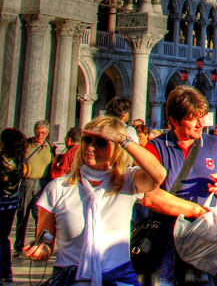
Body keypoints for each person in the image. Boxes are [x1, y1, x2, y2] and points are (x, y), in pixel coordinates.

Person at [24, 116, 167, 286]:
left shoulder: (127, 180)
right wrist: (41, 249)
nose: (91, 147)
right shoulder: (57, 188)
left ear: (116, 148)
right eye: (87, 139)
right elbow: (45, 240)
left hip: (118, 278)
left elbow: (158, 175)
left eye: (100, 142)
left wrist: (122, 139)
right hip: (70, 279)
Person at [140, 86, 217, 286]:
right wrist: (196, 211)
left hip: (207, 245)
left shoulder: (215, 145)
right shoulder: (156, 148)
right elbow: (149, 196)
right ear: (174, 121)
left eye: (201, 117)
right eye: (192, 118)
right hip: (166, 245)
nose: (200, 124)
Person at [12, 120, 53, 255]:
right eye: (37, 131)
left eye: (43, 132)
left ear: (47, 133)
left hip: (42, 184)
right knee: (22, 215)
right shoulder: (27, 145)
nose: (39, 135)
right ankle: (18, 246)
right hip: (27, 183)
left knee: (39, 215)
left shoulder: (51, 147)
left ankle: (38, 245)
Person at [0, 128, 27, 284]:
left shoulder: (2, 159)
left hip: (1, 201)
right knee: (3, 237)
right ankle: (6, 270)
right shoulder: (19, 160)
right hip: (11, 203)